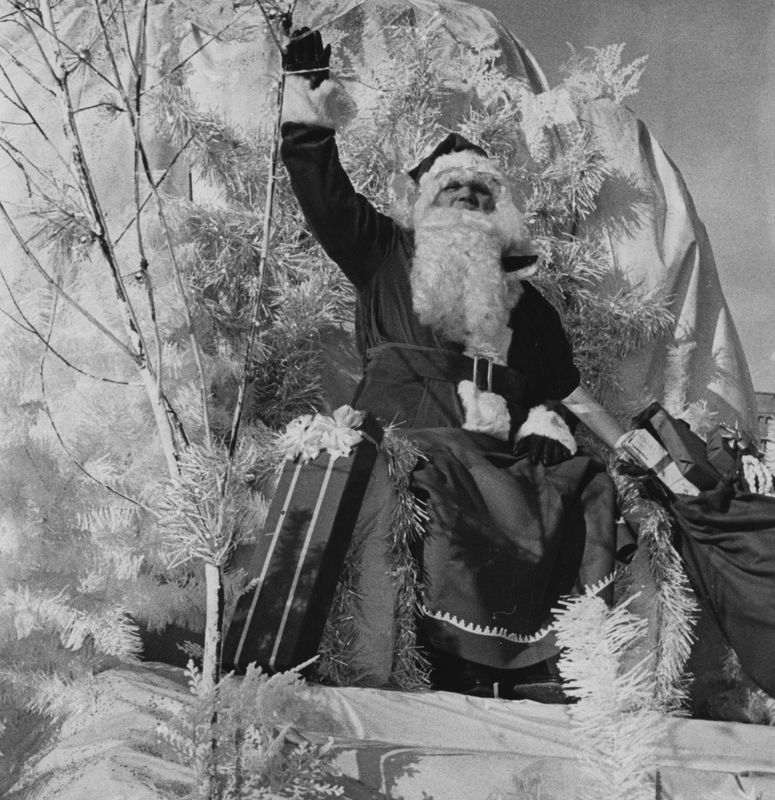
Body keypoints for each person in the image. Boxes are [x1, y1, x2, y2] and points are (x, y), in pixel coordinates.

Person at [278, 28, 626, 700]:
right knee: (434, 493)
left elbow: (568, 392)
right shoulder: (383, 253)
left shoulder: (526, 306)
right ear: (422, 200)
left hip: (500, 458)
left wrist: (630, 445)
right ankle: (436, 666)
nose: (465, 198)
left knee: (580, 491)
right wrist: (306, 94)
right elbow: (318, 184)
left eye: (479, 191)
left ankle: (534, 672)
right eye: (450, 189)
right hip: (412, 446)